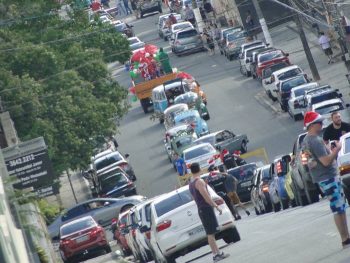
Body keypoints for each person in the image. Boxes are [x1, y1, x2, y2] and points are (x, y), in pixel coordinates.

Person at [302, 111, 350, 248]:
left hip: (323, 177)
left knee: (340, 207)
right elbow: (326, 161)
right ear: (312, 125)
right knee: (338, 208)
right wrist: (337, 149)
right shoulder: (315, 141)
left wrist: (329, 148)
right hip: (328, 177)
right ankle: (345, 237)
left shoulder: (307, 140)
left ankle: (346, 236)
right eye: (319, 122)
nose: (322, 125)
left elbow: (315, 159)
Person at [189, 163, 230, 262]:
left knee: (210, 232)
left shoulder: (191, 184)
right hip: (206, 208)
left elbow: (194, 198)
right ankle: (216, 254)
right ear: (199, 169)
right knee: (211, 233)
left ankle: (218, 253)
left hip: (201, 209)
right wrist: (216, 206)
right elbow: (206, 196)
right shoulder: (199, 182)